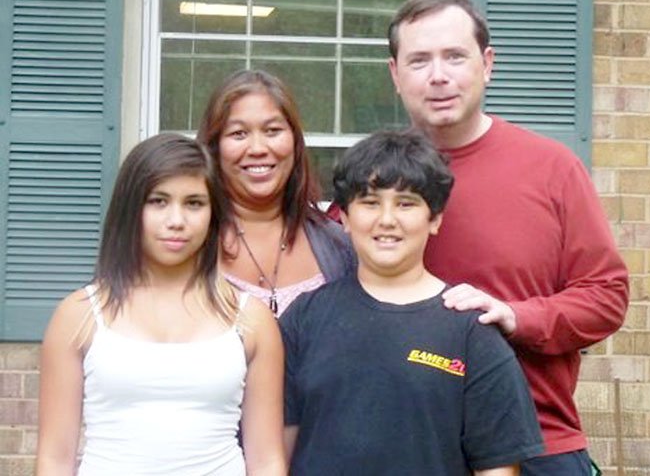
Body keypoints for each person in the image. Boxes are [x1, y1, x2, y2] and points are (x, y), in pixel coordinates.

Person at [387, 0, 629, 475]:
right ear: (395, 74)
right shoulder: (376, 182)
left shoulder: (551, 169)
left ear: (487, 64)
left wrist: (518, 317)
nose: (438, 76)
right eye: (419, 60)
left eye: (455, 56)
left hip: (535, 442)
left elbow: (606, 296)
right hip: (407, 443)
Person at [281, 129, 544, 475]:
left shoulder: (471, 332)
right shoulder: (305, 319)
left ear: (434, 219)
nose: (387, 219)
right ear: (344, 217)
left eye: (406, 203)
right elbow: (278, 448)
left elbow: (497, 466)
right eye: (370, 202)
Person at [36, 133, 286, 475]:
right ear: (130, 207)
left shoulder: (252, 320)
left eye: (194, 203)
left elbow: (267, 460)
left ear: (214, 213)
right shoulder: (78, 315)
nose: (176, 220)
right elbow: (54, 459)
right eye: (158, 201)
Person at [197, 70, 355, 317]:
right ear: (214, 147)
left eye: (272, 131)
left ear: (295, 141)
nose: (258, 148)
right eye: (238, 133)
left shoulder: (341, 247)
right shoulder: (187, 243)